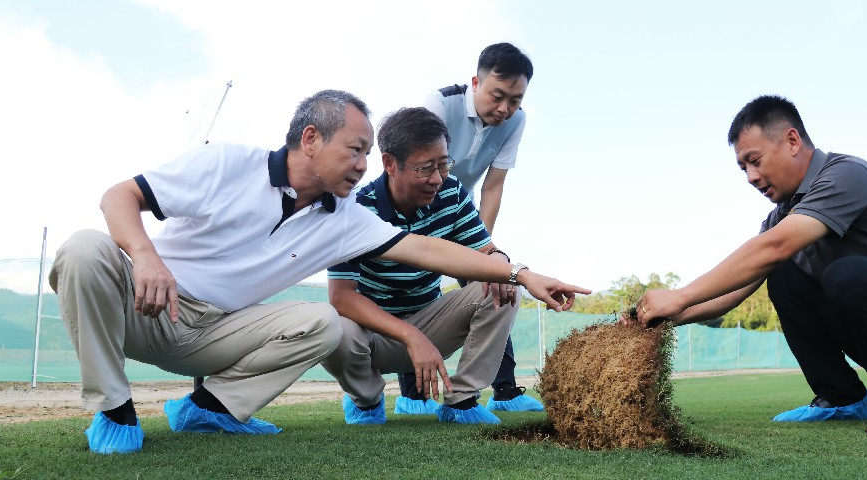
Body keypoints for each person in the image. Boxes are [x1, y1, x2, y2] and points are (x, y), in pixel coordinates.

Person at [49, 89, 588, 454]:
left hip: (213, 333)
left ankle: (209, 408)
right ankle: (115, 410)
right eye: (355, 150)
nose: (362, 164)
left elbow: (429, 251)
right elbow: (119, 195)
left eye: (365, 154)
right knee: (84, 249)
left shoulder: (344, 218)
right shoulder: (225, 163)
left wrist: (518, 272)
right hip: (149, 306)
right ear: (311, 140)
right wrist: (145, 256)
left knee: (320, 322)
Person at [632, 95, 867, 436]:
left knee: (844, 273)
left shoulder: (847, 174)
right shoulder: (780, 219)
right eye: (743, 168)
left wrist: (679, 293)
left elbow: (772, 247)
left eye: (755, 160)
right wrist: (664, 317)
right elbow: (735, 290)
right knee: (784, 275)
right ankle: (843, 397)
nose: (751, 177)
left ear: (791, 140)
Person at [322, 107, 525, 424]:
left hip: (432, 326)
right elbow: (341, 297)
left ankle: (461, 401)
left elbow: (486, 251)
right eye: (425, 168)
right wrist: (408, 336)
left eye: (444, 165)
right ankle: (366, 400)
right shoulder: (355, 209)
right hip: (373, 334)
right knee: (333, 325)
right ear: (390, 163)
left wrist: (499, 260)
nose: (437, 178)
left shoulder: (452, 193)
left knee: (503, 283)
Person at [393, 41, 539, 411]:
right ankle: (413, 397)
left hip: (463, 215)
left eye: (515, 100)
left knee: (495, 283)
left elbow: (493, 185)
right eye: (497, 95)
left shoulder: (516, 121)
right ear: (476, 82)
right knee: (415, 290)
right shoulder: (439, 104)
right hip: (420, 212)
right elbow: (417, 164)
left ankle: (503, 392)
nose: (505, 109)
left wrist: (482, 251)